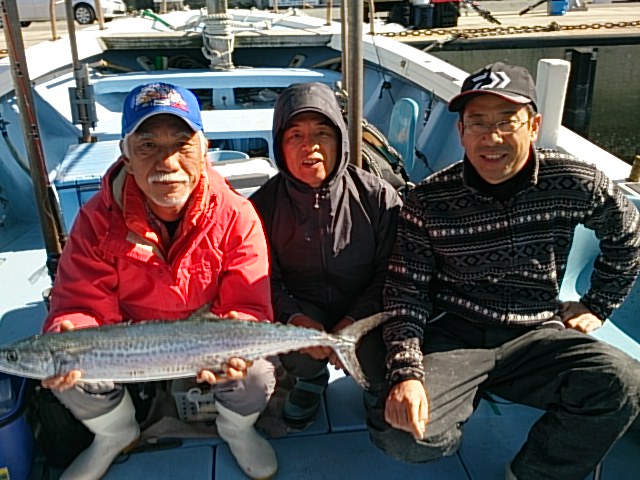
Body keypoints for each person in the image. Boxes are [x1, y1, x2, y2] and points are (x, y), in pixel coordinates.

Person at [367, 62, 640, 480]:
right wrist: (406, 373)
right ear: (460, 132)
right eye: (477, 123)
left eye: (506, 121)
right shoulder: (428, 200)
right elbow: (406, 291)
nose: (491, 138)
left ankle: (534, 471)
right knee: (402, 435)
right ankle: (451, 396)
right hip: (454, 333)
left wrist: (598, 304)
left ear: (533, 126)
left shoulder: (574, 180)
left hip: (537, 332)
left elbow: (626, 232)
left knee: (622, 381)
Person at [41, 82, 277, 480]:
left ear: (204, 150)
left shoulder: (237, 216)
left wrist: (238, 337)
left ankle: (236, 429)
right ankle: (115, 433)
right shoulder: (96, 220)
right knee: (65, 361)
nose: (167, 162)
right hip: (130, 342)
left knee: (254, 372)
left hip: (208, 340)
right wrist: (70, 328)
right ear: (126, 156)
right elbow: (80, 304)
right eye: (148, 146)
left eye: (182, 145)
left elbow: (248, 305)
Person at [251, 82, 402, 429]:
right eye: (295, 135)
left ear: (341, 139)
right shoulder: (260, 207)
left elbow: (394, 271)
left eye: (322, 132)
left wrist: (354, 319)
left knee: (378, 349)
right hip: (305, 310)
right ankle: (310, 379)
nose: (311, 146)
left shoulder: (378, 197)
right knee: (292, 348)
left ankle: (375, 381)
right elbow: (262, 278)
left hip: (366, 310)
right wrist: (294, 317)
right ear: (279, 145)